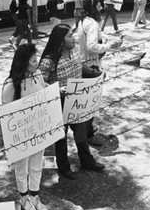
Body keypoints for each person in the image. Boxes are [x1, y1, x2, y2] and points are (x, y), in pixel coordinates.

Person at [38, 24, 105, 180]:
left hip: (77, 101)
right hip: (59, 104)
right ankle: (64, 167)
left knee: (81, 133)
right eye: (69, 35)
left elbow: (80, 67)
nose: (74, 37)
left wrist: (97, 74)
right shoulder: (49, 61)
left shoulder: (75, 51)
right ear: (61, 41)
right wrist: (57, 89)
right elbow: (39, 83)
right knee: (61, 137)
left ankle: (87, 162)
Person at [2, 44, 48, 210]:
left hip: (39, 130)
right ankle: (24, 197)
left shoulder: (38, 75)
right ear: (23, 62)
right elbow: (6, 115)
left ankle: (35, 196)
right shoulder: (11, 85)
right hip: (21, 135)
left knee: (37, 165)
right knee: (22, 168)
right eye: (33, 60)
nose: (37, 63)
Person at [77, 0, 123, 146]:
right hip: (91, 66)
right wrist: (109, 46)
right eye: (98, 6)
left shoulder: (86, 21)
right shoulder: (91, 24)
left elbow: (100, 36)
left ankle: (87, 129)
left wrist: (109, 39)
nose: (101, 9)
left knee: (88, 100)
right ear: (92, 8)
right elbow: (91, 46)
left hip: (86, 64)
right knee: (91, 101)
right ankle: (88, 135)